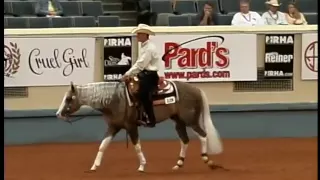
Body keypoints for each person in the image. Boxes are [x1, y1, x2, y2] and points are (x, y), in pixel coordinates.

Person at [121, 24, 163, 128]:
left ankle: (150, 119)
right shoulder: (145, 46)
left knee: (142, 93)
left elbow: (140, 64)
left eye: (139, 33)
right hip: (144, 74)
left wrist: (127, 74)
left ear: (145, 35)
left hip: (150, 76)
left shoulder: (149, 48)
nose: (137, 35)